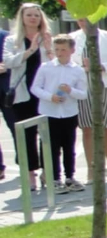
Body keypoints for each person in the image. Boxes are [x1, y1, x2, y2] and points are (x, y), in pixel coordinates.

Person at [3, 3, 53, 190]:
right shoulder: (12, 40)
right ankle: (30, 173)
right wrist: (31, 49)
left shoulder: (47, 37)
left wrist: (48, 49)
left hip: (44, 92)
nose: (33, 18)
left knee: (47, 134)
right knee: (26, 134)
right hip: (23, 93)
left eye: (36, 15)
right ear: (22, 18)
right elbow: (8, 62)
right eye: (29, 15)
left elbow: (56, 63)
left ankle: (47, 172)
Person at [29, 34, 87, 192]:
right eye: (57, 49)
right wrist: (50, 97)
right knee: (50, 146)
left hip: (69, 113)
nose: (60, 53)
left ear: (72, 50)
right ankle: (53, 178)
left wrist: (70, 91)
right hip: (49, 112)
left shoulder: (77, 70)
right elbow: (35, 88)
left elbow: (83, 93)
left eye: (63, 49)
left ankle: (70, 176)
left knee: (69, 146)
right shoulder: (46, 67)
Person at [71, 18, 107, 182]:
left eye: (86, 18)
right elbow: (68, 65)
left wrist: (99, 66)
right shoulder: (72, 38)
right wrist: (83, 67)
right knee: (88, 129)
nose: (83, 22)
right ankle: (92, 169)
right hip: (84, 88)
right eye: (80, 19)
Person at [0, 23, 10, 181]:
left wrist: (6, 66)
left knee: (16, 128)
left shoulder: (6, 36)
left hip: (7, 91)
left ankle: (28, 168)